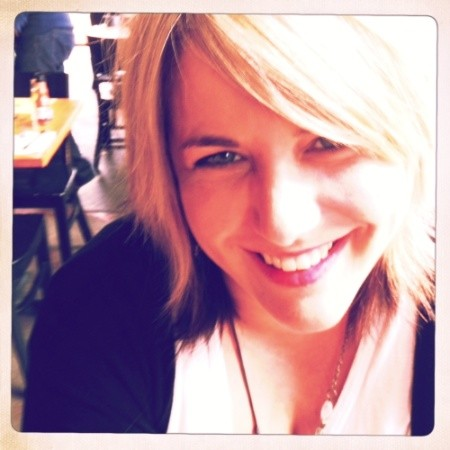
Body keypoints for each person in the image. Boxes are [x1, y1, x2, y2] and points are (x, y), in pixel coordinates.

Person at [22, 14, 435, 435]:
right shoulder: (94, 313)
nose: (282, 226)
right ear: (169, 173)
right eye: (221, 158)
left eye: (330, 141)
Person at [14, 12, 96, 186]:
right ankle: (76, 171)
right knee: (45, 108)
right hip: (53, 32)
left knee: (38, 109)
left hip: (42, 35)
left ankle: (78, 172)